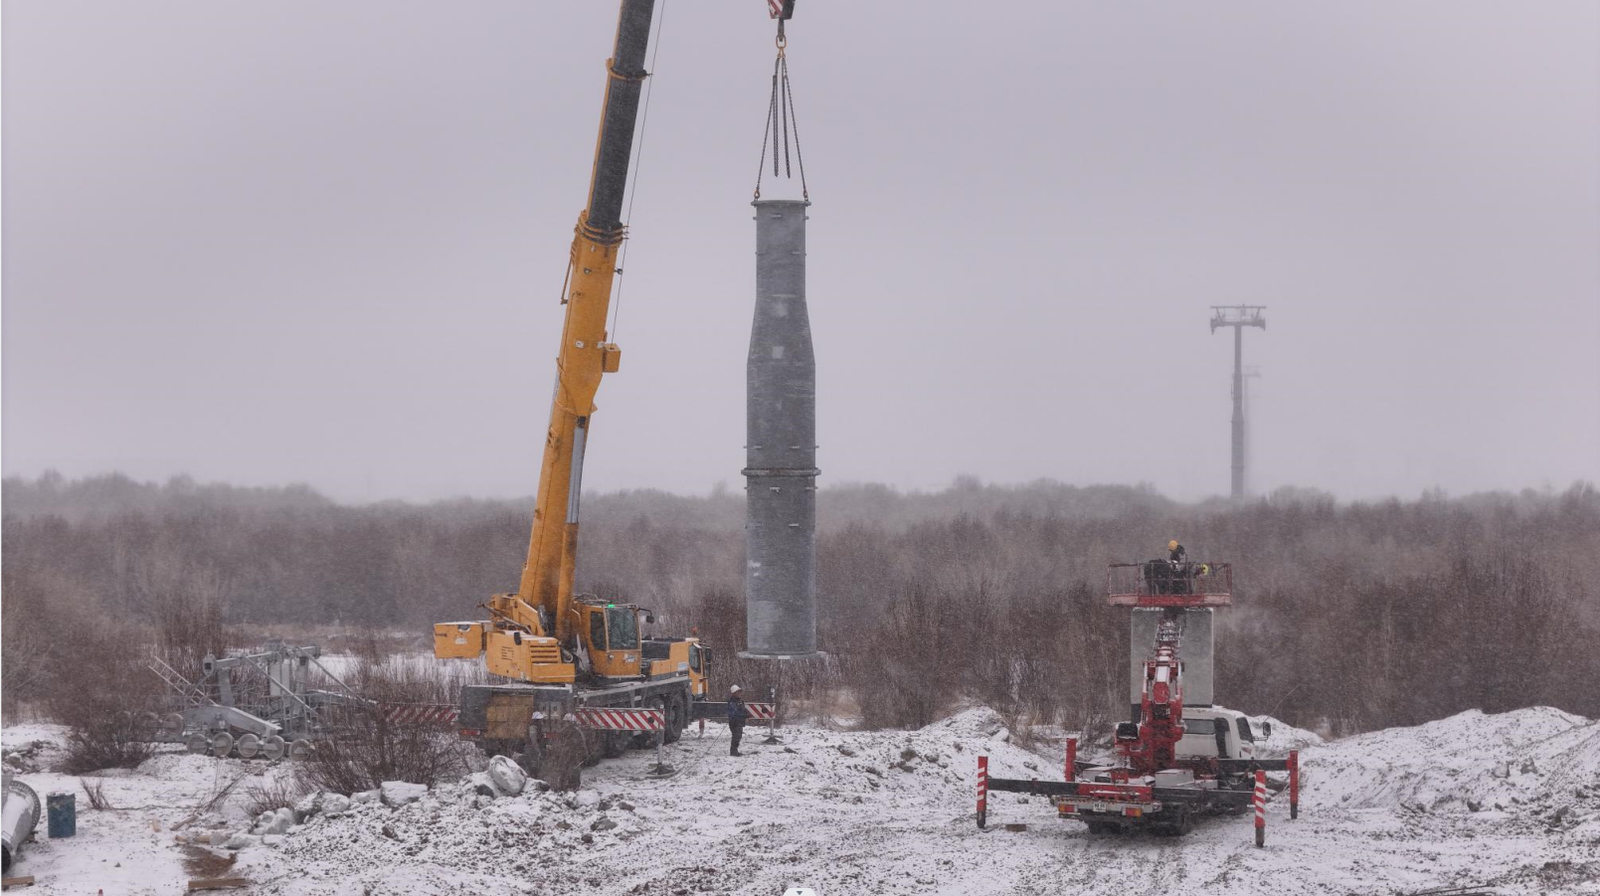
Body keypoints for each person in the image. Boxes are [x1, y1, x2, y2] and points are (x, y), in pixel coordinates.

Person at [727, 684, 750, 756]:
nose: (740, 693)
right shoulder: (731, 702)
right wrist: (739, 710)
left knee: (738, 736)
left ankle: (735, 750)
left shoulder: (740, 701)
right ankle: (733, 751)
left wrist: (747, 714)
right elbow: (733, 712)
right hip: (734, 722)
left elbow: (743, 710)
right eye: (738, 692)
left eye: (740, 691)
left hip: (740, 722)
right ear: (734, 693)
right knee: (736, 736)